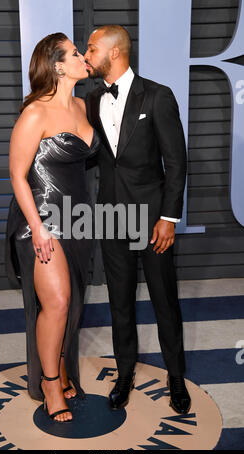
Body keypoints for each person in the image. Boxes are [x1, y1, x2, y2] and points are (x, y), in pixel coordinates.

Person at [84, 25, 191, 414]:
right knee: (120, 302)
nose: (86, 54)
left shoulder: (158, 96)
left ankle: (175, 377)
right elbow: (96, 155)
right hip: (112, 216)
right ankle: (125, 373)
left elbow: (176, 163)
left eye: (92, 48)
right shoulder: (93, 99)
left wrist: (167, 218)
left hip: (151, 219)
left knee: (165, 301)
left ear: (114, 53)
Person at [5, 33, 100, 422]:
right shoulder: (36, 113)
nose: (83, 57)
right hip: (41, 220)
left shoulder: (81, 105)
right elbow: (16, 174)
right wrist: (38, 228)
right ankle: (48, 382)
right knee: (57, 302)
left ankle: (61, 366)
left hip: (80, 219)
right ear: (58, 65)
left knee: (72, 303)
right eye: (76, 53)